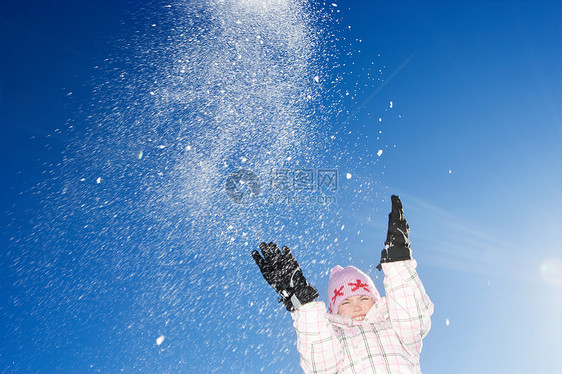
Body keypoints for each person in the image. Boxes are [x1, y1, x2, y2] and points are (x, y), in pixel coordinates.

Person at [252, 195, 433, 373]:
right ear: (334, 311)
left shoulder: (396, 329)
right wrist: (303, 302)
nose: (357, 307)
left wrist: (398, 261)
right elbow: (320, 363)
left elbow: (411, 315)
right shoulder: (337, 340)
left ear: (376, 299)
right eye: (345, 302)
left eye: (363, 298)